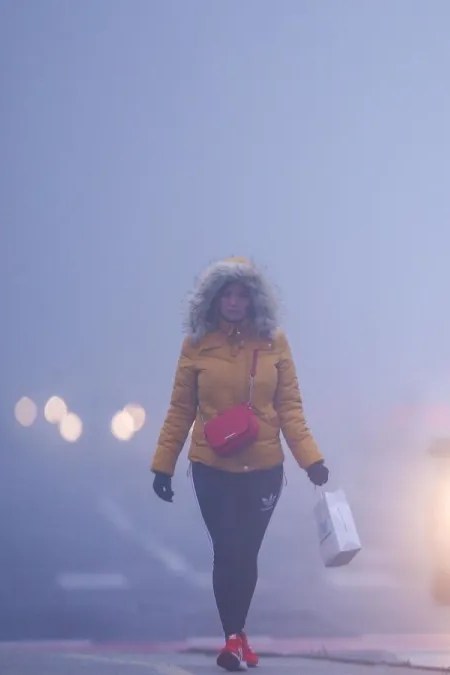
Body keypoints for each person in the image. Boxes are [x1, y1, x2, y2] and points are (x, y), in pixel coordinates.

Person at [149, 256, 330, 672]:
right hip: (211, 465)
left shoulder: (274, 343)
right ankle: (232, 638)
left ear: (254, 301)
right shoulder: (196, 344)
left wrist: (311, 460)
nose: (233, 302)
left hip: (263, 467)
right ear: (212, 300)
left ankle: (238, 632)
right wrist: (163, 465)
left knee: (246, 553)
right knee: (227, 548)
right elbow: (180, 409)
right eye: (225, 294)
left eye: (241, 295)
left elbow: (290, 408)